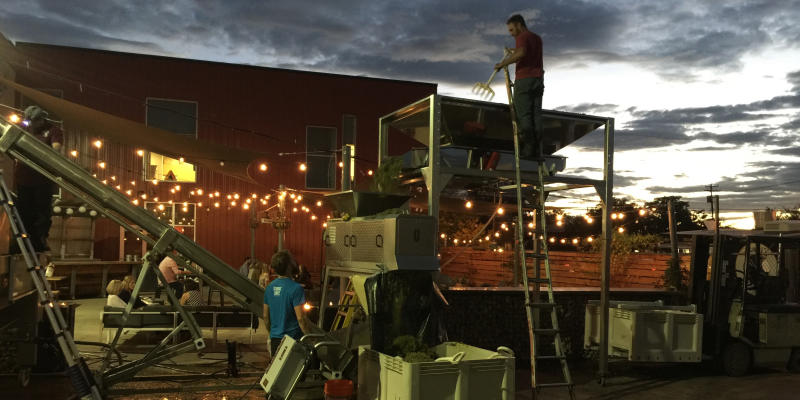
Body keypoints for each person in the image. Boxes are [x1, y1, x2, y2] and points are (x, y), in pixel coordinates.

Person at [12, 105, 62, 253]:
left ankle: (39, 240)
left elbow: (56, 150)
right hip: (23, 177)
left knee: (42, 212)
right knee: (23, 211)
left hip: (42, 178)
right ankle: (21, 242)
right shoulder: (23, 127)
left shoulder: (53, 130)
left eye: (33, 122)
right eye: (28, 122)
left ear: (42, 120)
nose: (31, 125)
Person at [494, 14, 545, 159]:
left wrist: (502, 64)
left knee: (524, 114)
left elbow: (522, 53)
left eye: (511, 30)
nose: (511, 34)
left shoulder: (521, 37)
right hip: (538, 80)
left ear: (518, 25)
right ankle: (538, 149)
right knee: (536, 114)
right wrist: (513, 51)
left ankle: (528, 149)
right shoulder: (536, 38)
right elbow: (525, 51)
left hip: (524, 80)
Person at [263, 250, 312, 357]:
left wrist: (271, 334)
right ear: (289, 266)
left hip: (275, 340)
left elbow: (266, 316)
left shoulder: (269, 288)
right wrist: (309, 339)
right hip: (293, 340)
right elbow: (301, 318)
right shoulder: (296, 288)